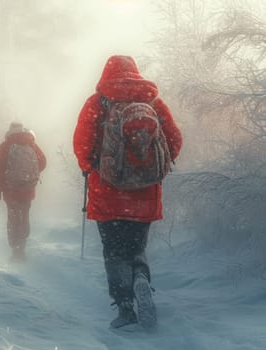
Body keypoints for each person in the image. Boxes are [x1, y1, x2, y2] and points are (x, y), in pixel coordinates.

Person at [73, 55, 182, 329]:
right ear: (135, 72)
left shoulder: (98, 103)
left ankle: (125, 307)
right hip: (144, 195)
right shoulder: (152, 103)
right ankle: (141, 279)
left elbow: (82, 144)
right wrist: (155, 168)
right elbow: (175, 140)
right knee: (136, 247)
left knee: (113, 251)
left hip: (107, 192)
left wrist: (91, 166)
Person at [0, 122, 46, 261]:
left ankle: (15, 249)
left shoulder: (5, 146)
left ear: (10, 130)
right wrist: (30, 175)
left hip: (10, 190)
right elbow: (43, 162)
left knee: (13, 218)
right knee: (24, 215)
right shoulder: (31, 143)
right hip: (28, 189)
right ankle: (22, 247)